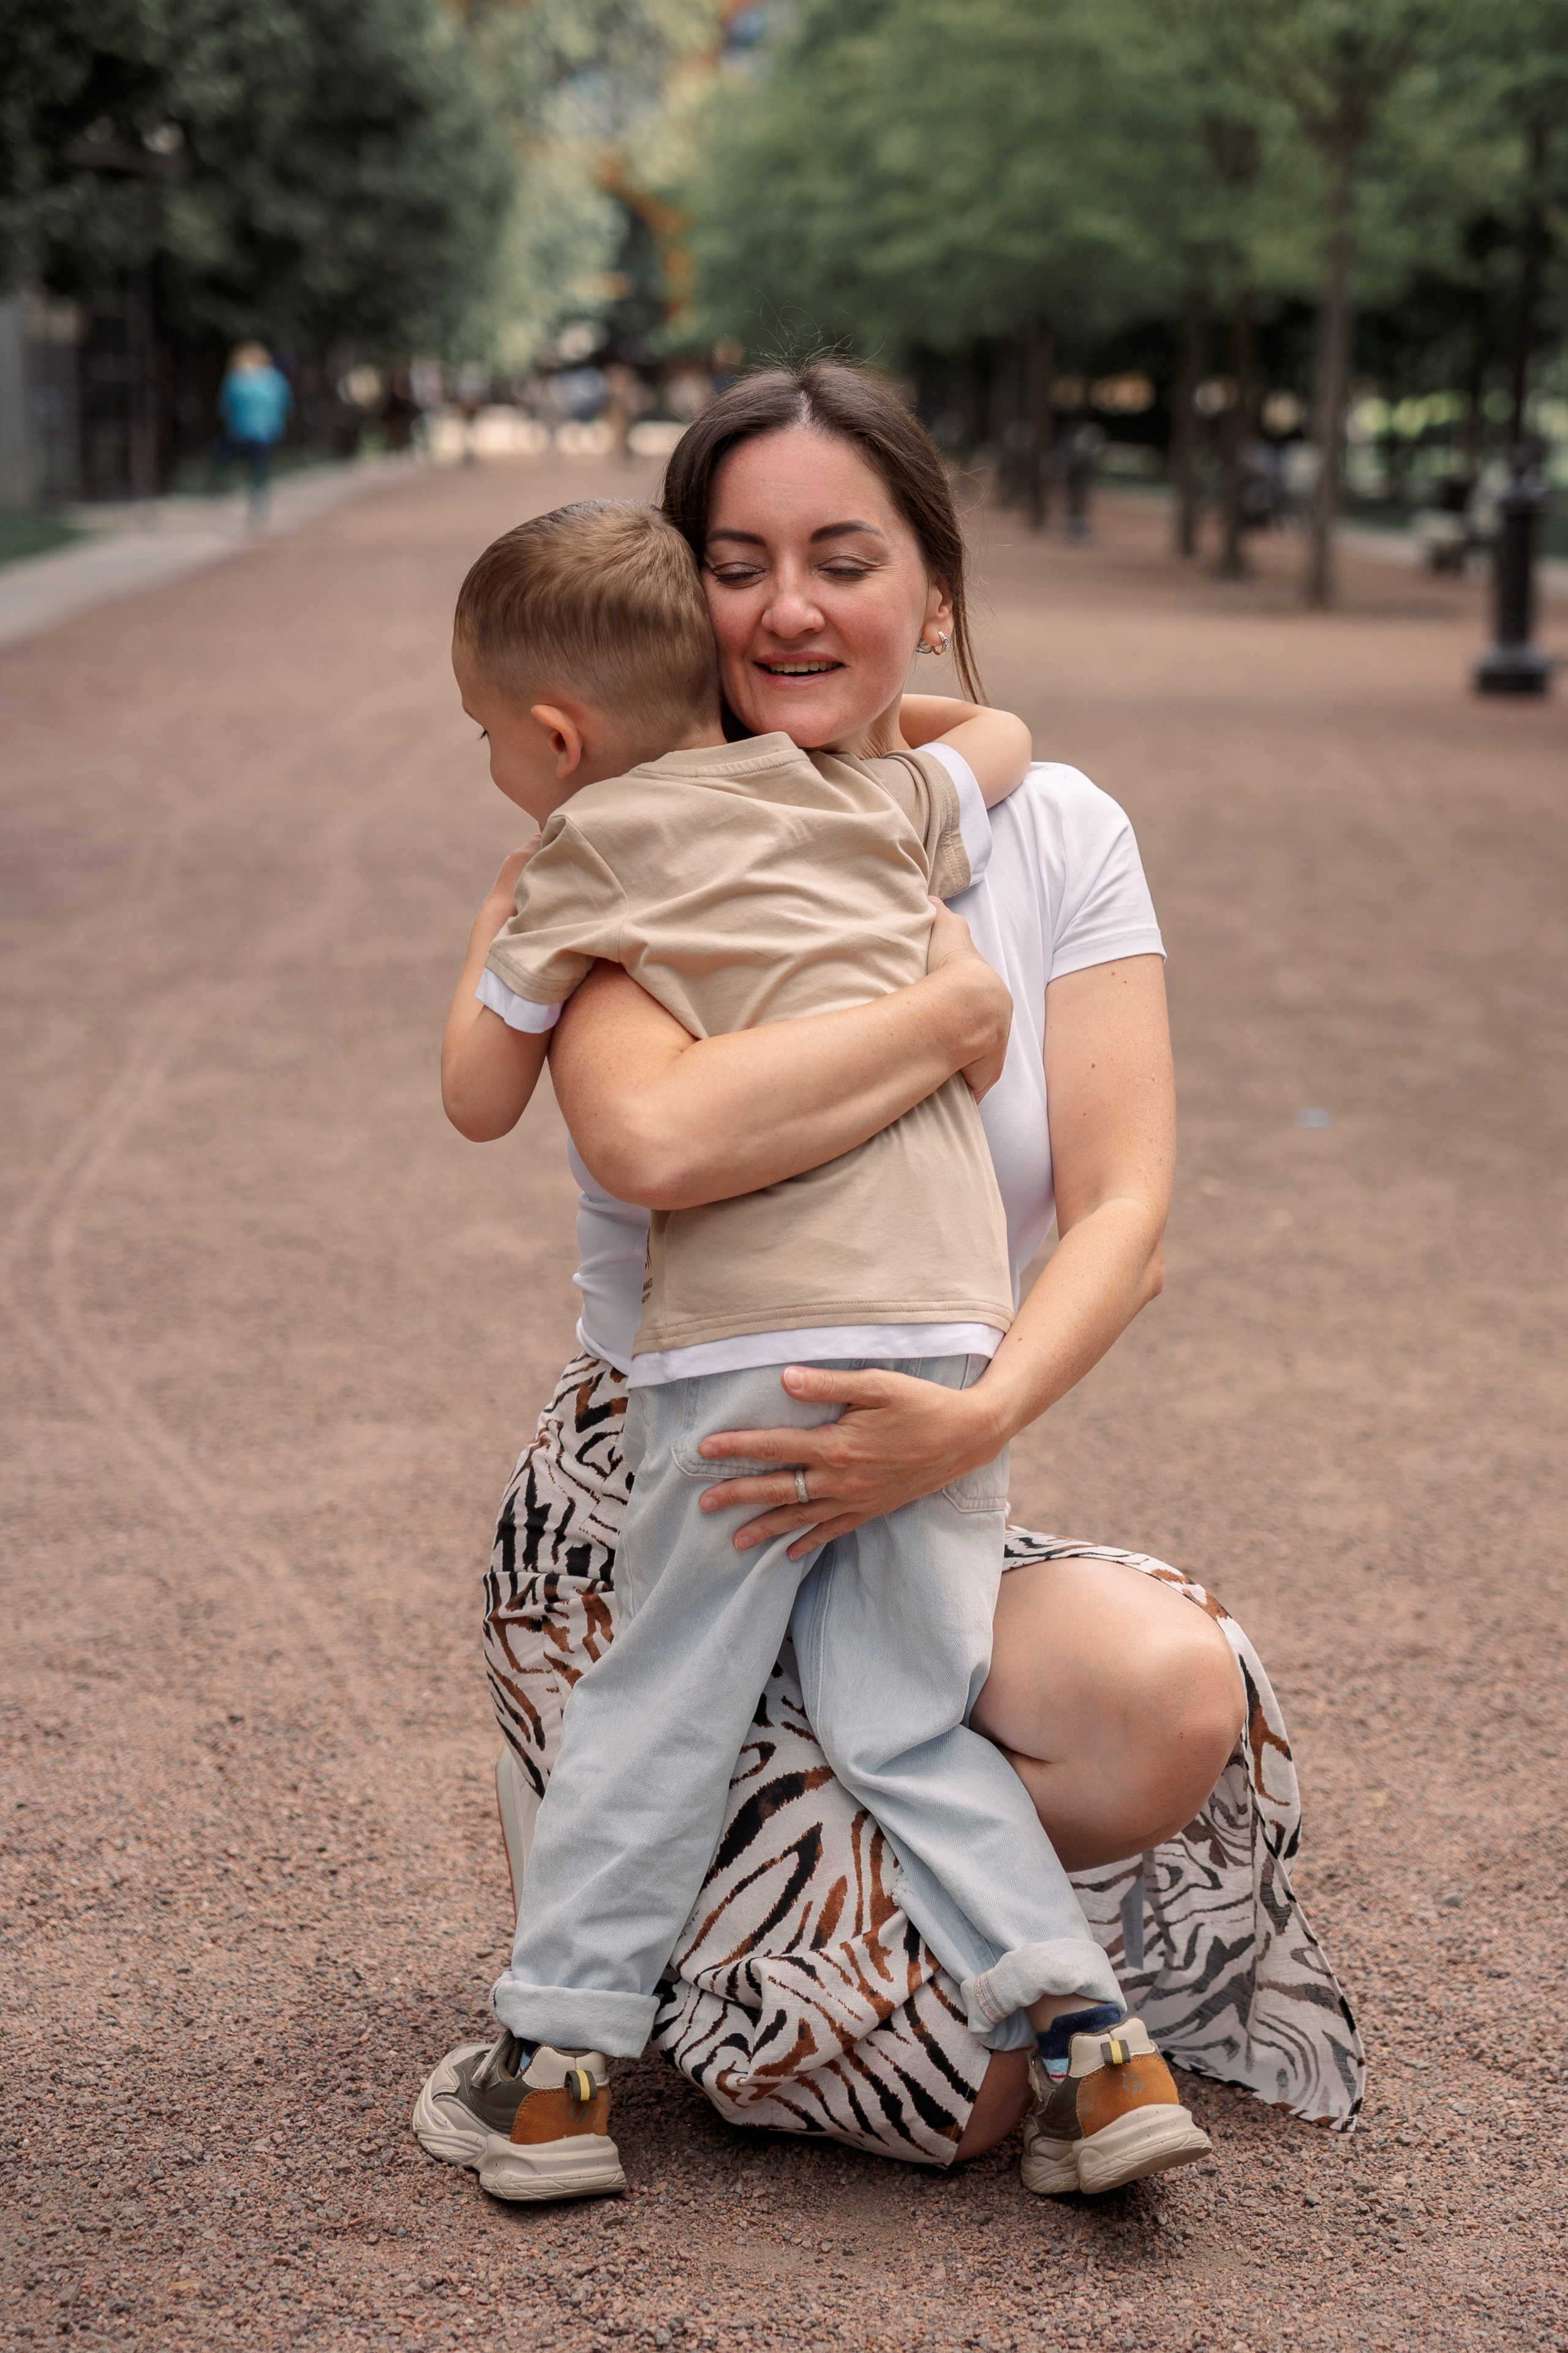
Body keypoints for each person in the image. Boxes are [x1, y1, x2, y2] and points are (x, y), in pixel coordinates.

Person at [413, 362, 1363, 2197]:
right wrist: (940, 1003)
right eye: (733, 562)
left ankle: (554, 2056)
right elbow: (654, 1148)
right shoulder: (882, 817)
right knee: (922, 1926)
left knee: (681, 1712)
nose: (783, 607)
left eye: (842, 559)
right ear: (668, 594)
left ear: (931, 575)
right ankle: (1081, 2022)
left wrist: (973, 1422)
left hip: (873, 1414)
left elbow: (1125, 1209)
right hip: (665, 1462)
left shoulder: (610, 856)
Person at [211, 342, 292, 523]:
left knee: (233, 462)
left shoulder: (235, 379)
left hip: (239, 432)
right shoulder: (275, 379)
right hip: (269, 433)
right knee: (260, 468)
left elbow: (223, 408)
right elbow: (285, 405)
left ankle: (222, 488)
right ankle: (258, 498)